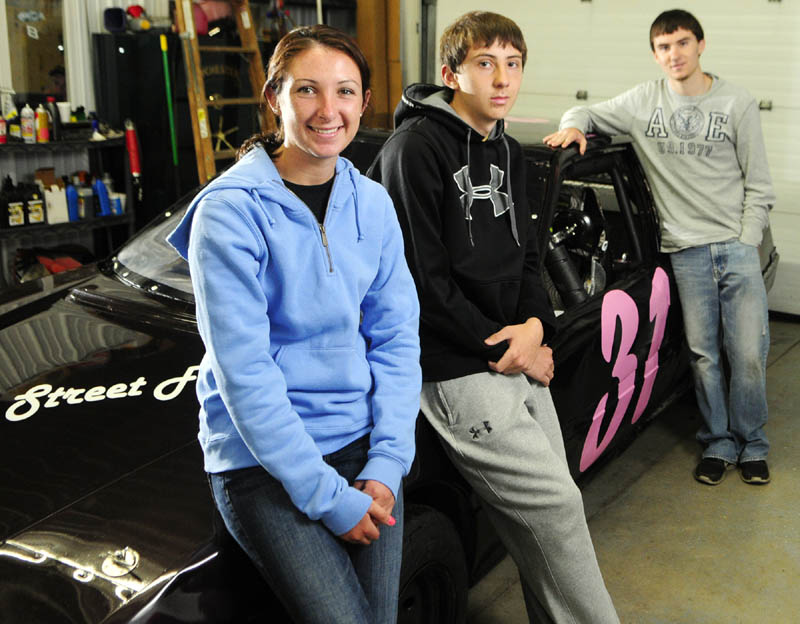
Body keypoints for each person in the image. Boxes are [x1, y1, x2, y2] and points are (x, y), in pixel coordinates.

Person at [369, 11, 618, 623]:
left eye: (513, 63)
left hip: (517, 354)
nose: (502, 78)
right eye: (485, 64)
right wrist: (504, 347)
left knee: (552, 520)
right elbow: (420, 282)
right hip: (457, 367)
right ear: (453, 73)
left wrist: (537, 328)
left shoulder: (506, 146)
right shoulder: (415, 149)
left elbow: (529, 256)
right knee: (556, 509)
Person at [167, 25, 421, 623]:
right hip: (263, 466)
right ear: (274, 96)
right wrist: (328, 498)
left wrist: (389, 462)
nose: (328, 111)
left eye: (346, 92)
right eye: (307, 90)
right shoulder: (230, 212)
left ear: (363, 101)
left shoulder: (373, 203)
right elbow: (246, 374)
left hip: (362, 449)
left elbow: (395, 337)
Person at [544, 9, 775, 487]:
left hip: (734, 247)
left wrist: (745, 238)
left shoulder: (737, 102)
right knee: (703, 354)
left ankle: (752, 444)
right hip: (685, 253)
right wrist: (572, 126)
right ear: (655, 54)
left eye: (683, 43)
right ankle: (718, 443)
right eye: (664, 47)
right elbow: (585, 112)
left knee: (748, 353)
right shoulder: (642, 101)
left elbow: (760, 185)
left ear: (701, 45)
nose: (675, 54)